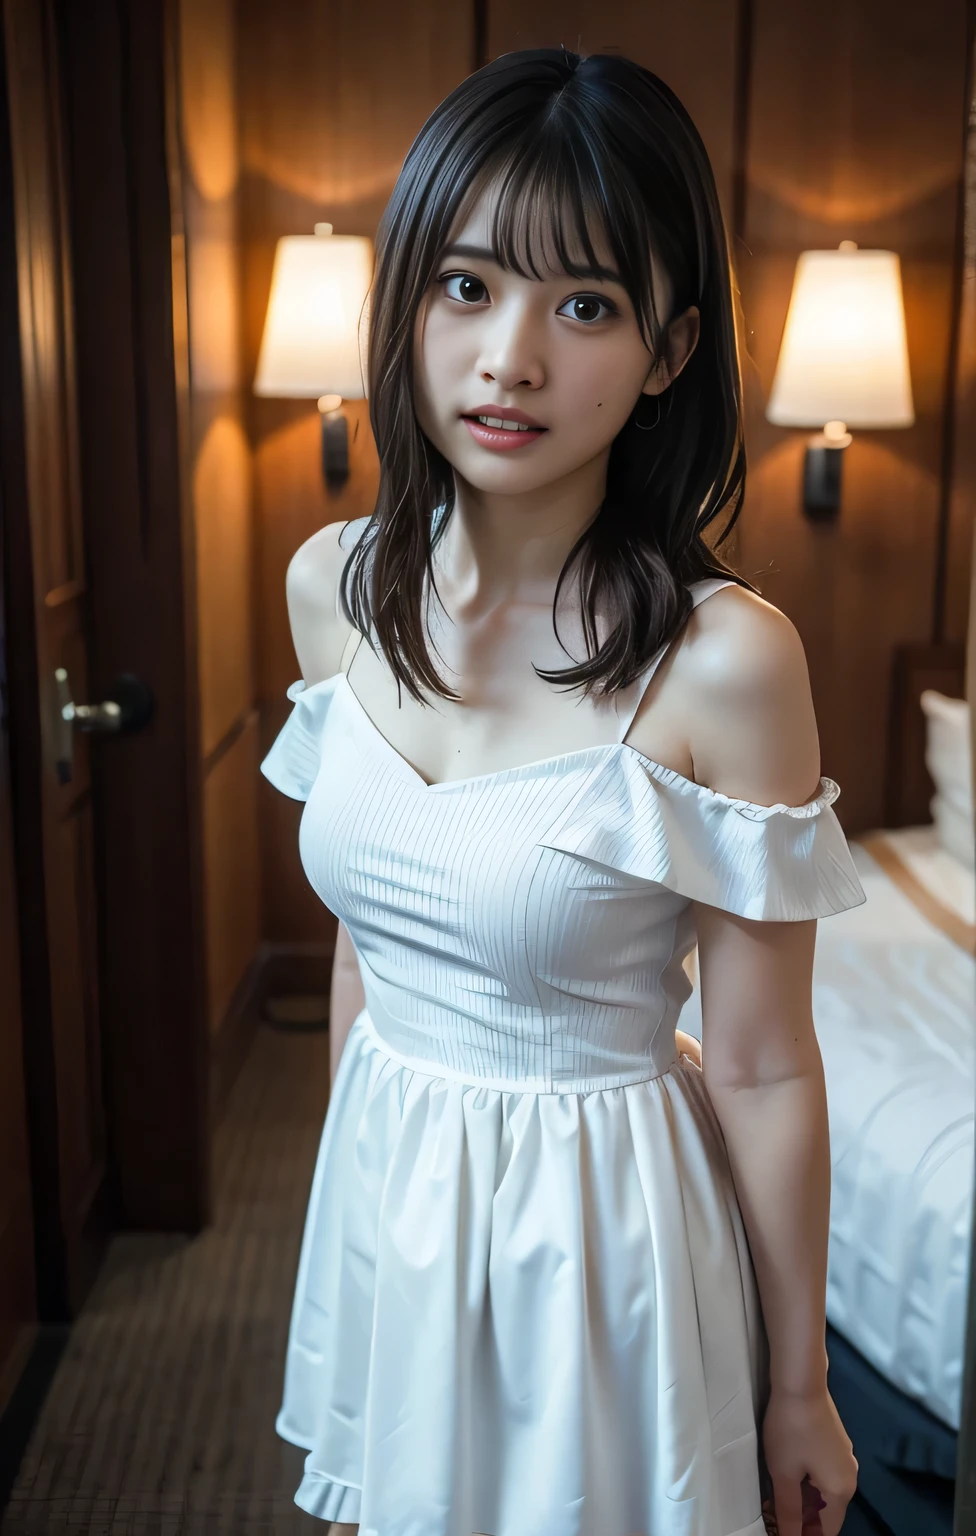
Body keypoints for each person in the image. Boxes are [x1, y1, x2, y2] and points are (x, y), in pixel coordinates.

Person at [260, 47, 866, 1536]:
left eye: (582, 304)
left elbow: (770, 1065)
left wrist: (800, 1384)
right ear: (407, 302)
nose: (509, 358)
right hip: (392, 1203)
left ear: (669, 351)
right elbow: (366, 946)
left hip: (603, 1244)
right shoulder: (332, 588)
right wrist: (371, 1224)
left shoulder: (726, 664)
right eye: (466, 286)